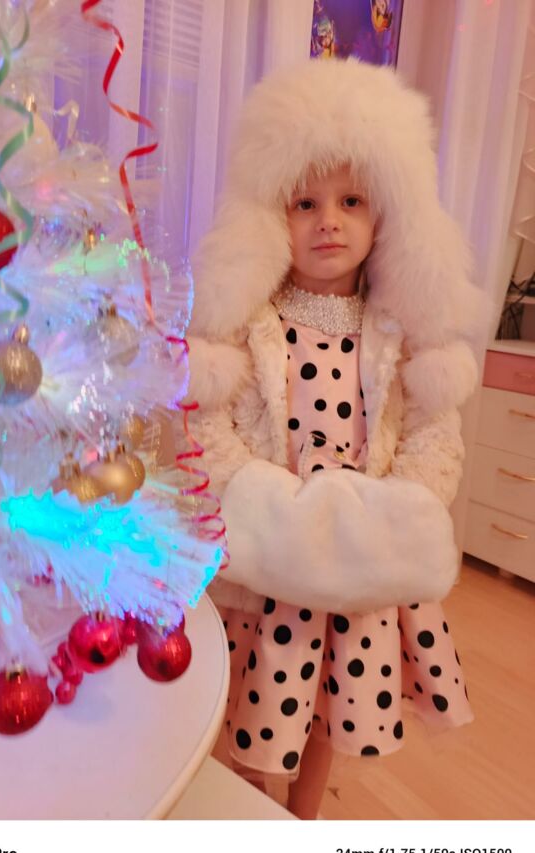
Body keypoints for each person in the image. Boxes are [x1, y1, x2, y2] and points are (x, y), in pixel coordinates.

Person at [185, 59, 486, 819]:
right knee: (253, 695)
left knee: (330, 703)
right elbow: (211, 427)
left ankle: (305, 815)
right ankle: (254, 807)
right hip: (267, 567)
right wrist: (254, 504)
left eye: (351, 201)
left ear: (385, 216)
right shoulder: (252, 325)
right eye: (305, 202)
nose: (329, 221)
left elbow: (433, 432)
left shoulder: (397, 332)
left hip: (357, 559)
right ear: (269, 217)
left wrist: (402, 509)